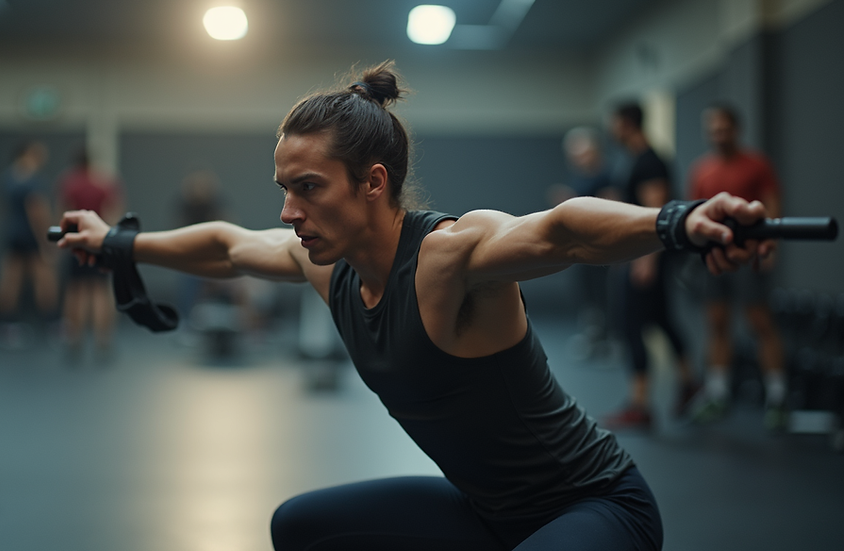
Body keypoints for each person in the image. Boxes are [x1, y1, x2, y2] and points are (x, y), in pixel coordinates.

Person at [57, 62, 772, 551]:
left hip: (595, 505)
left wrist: (678, 222)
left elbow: (563, 233)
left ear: (372, 181)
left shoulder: (450, 256)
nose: (288, 210)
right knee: (299, 526)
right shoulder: (322, 266)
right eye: (284, 188)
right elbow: (226, 246)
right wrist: (122, 244)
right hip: (487, 514)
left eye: (308, 187)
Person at [687, 103, 787, 429]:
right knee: (717, 323)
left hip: (748, 256)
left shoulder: (757, 165)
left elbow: (771, 207)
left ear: (736, 129)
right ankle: (718, 394)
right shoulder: (701, 170)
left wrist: (769, 245)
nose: (718, 135)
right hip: (715, 256)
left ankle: (778, 397)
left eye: (723, 128)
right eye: (712, 129)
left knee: (759, 323)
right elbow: (694, 215)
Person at [602, 102, 699, 430]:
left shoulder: (649, 161)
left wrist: (645, 260)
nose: (610, 129)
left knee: (632, 325)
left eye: (613, 122)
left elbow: (657, 212)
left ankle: (640, 405)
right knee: (662, 319)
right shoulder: (633, 160)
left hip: (647, 256)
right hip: (640, 254)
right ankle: (689, 382)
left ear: (626, 122)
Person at [550, 127, 619, 360]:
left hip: (602, 246)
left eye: (580, 154)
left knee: (604, 294)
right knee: (587, 293)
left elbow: (611, 209)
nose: (576, 159)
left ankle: (610, 342)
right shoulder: (581, 177)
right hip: (582, 246)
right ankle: (593, 336)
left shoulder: (607, 176)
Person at [56, 148, 124, 360]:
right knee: (100, 291)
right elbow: (115, 214)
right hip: (99, 243)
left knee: (76, 291)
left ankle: (73, 340)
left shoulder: (69, 184)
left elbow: (62, 214)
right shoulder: (103, 184)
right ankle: (103, 341)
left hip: (76, 244)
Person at [0, 141, 58, 348]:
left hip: (13, 234)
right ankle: (51, 323)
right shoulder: (34, 181)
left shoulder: (8, 178)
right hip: (30, 235)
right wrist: (45, 241)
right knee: (44, 278)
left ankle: (7, 326)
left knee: (10, 280)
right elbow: (37, 212)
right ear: (28, 153)